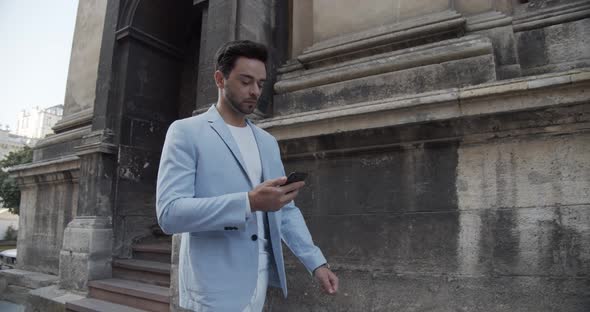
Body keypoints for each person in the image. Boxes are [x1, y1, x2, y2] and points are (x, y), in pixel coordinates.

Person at [156, 40, 339, 311]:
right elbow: (169, 214)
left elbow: (285, 210)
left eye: (260, 83)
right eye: (245, 81)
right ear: (220, 79)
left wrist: (316, 262)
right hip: (211, 288)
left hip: (260, 282)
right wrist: (249, 202)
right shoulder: (186, 132)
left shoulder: (267, 142)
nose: (255, 91)